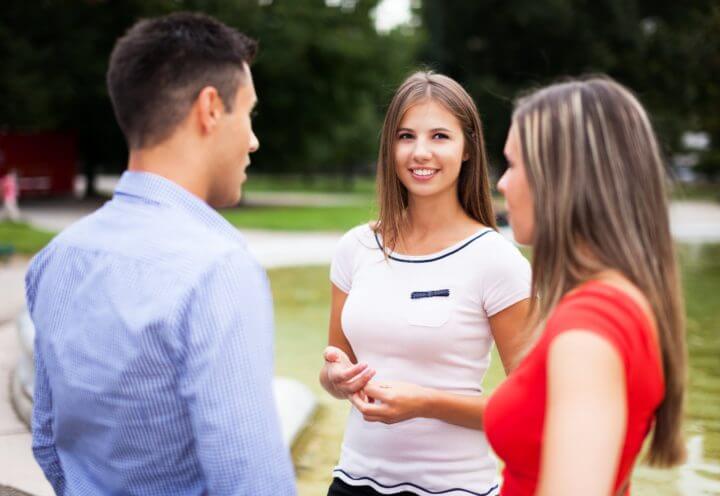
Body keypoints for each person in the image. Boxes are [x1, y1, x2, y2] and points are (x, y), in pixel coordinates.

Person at [25, 12, 296, 495]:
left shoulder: (56, 258)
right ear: (210, 108)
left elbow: (48, 439)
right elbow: (252, 481)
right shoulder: (217, 269)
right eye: (249, 114)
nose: (253, 140)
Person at [320, 71, 532, 496]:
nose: (420, 153)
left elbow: (530, 409)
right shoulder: (355, 248)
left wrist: (425, 403)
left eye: (439, 136)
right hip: (352, 482)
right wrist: (336, 378)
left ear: (468, 147)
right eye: (405, 136)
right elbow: (333, 367)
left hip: (454, 489)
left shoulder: (496, 260)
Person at [484, 77, 687, 495]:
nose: (502, 183)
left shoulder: (588, 329)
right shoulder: (621, 302)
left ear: (559, 178)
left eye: (514, 164)